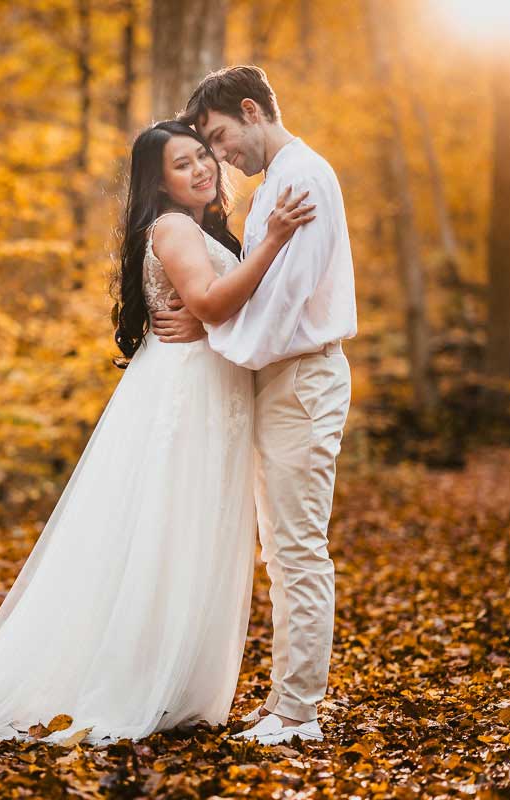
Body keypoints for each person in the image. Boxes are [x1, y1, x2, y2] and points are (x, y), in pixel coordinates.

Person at [0, 120, 314, 746]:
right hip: (187, 395)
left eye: (202, 156)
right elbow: (213, 302)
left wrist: (215, 313)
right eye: (182, 164)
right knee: (168, 530)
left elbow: (215, 308)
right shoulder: (172, 227)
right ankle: (136, 681)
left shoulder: (203, 229)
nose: (201, 169)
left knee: (191, 531)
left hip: (209, 389)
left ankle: (173, 682)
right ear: (158, 183)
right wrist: (272, 242)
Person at [153, 65, 357, 746]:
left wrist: (207, 326)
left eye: (218, 138)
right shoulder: (274, 185)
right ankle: (284, 705)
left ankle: (297, 713)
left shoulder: (303, 179)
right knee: (283, 548)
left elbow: (279, 308)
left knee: (298, 549)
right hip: (279, 379)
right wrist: (210, 320)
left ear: (250, 110)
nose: (219, 157)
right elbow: (261, 296)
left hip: (301, 378)